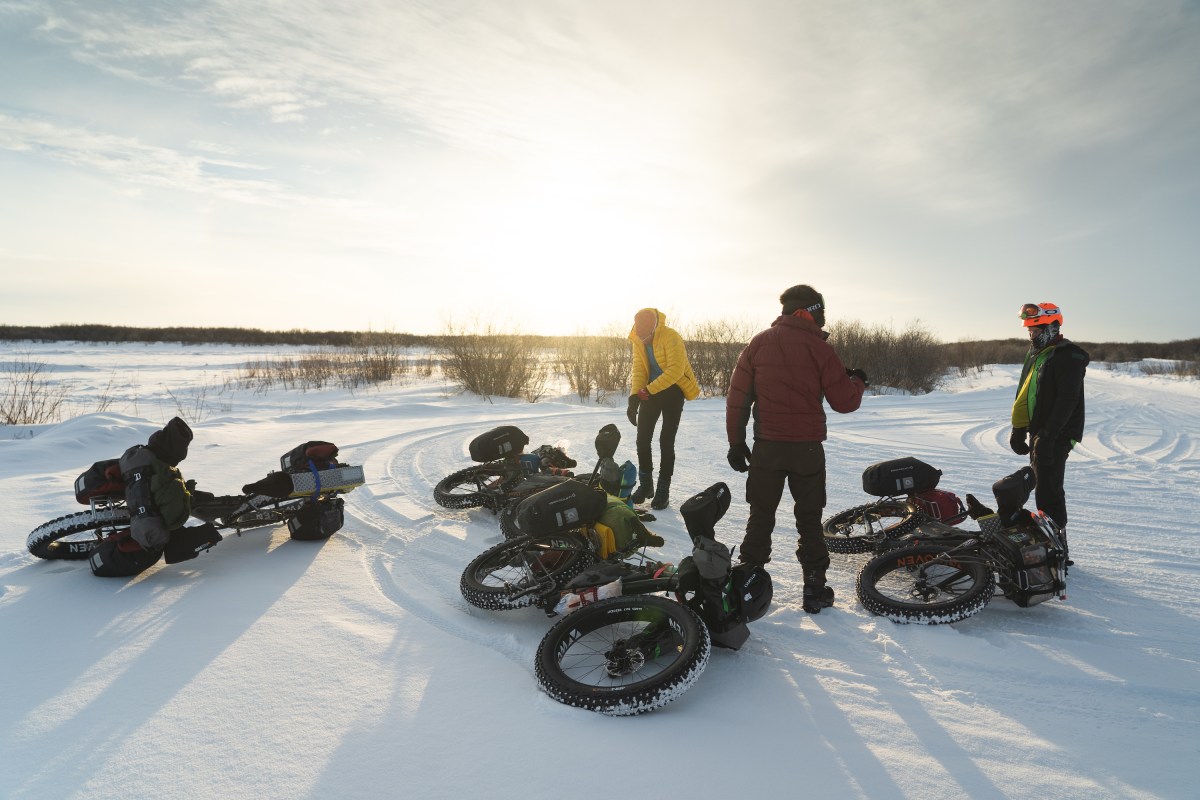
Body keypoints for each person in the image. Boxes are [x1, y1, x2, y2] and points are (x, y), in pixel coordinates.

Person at [725, 285, 867, 613]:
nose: (821, 321)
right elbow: (845, 402)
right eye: (821, 315)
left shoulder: (759, 343)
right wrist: (858, 381)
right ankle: (814, 589)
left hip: (767, 449)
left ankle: (748, 582)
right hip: (806, 451)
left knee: (760, 515)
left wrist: (736, 442)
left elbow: (737, 399)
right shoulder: (820, 349)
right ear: (810, 312)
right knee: (809, 518)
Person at [1009, 302, 1089, 557]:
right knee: (1042, 484)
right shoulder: (1036, 353)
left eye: (1036, 329)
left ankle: (1057, 551)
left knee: (1048, 490)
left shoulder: (1067, 356)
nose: (1032, 335)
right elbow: (1025, 392)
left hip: (1058, 433)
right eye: (1029, 330)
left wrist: (1049, 435)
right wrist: (1019, 428)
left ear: (1053, 326)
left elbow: (1068, 400)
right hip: (1040, 431)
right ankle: (1049, 541)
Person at [626, 308, 700, 510]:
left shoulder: (671, 336)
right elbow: (639, 368)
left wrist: (648, 390)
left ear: (655, 327)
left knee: (666, 441)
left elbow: (676, 370)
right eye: (640, 336)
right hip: (651, 391)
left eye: (646, 336)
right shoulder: (638, 337)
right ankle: (646, 486)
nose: (643, 340)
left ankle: (662, 491)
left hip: (673, 391)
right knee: (642, 439)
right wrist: (634, 398)